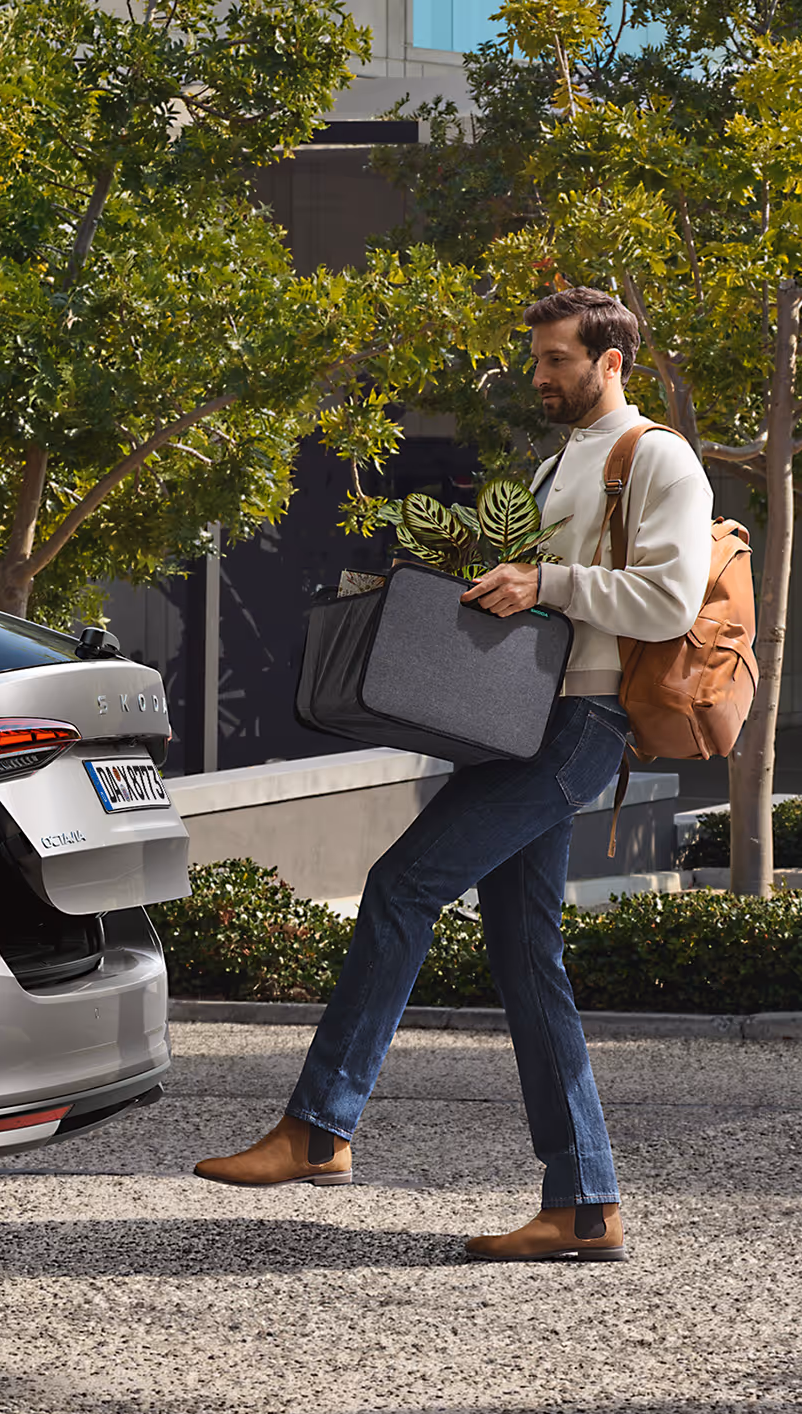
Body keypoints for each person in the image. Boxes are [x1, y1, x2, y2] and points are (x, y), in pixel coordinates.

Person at [189, 286, 715, 1262]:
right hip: (526, 722)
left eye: (556, 358)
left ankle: (318, 1129)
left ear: (608, 362)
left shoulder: (657, 458)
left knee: (401, 884)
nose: (538, 376)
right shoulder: (562, 464)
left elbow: (668, 598)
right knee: (524, 956)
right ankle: (584, 1204)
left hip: (582, 727)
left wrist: (540, 581)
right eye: (536, 360)